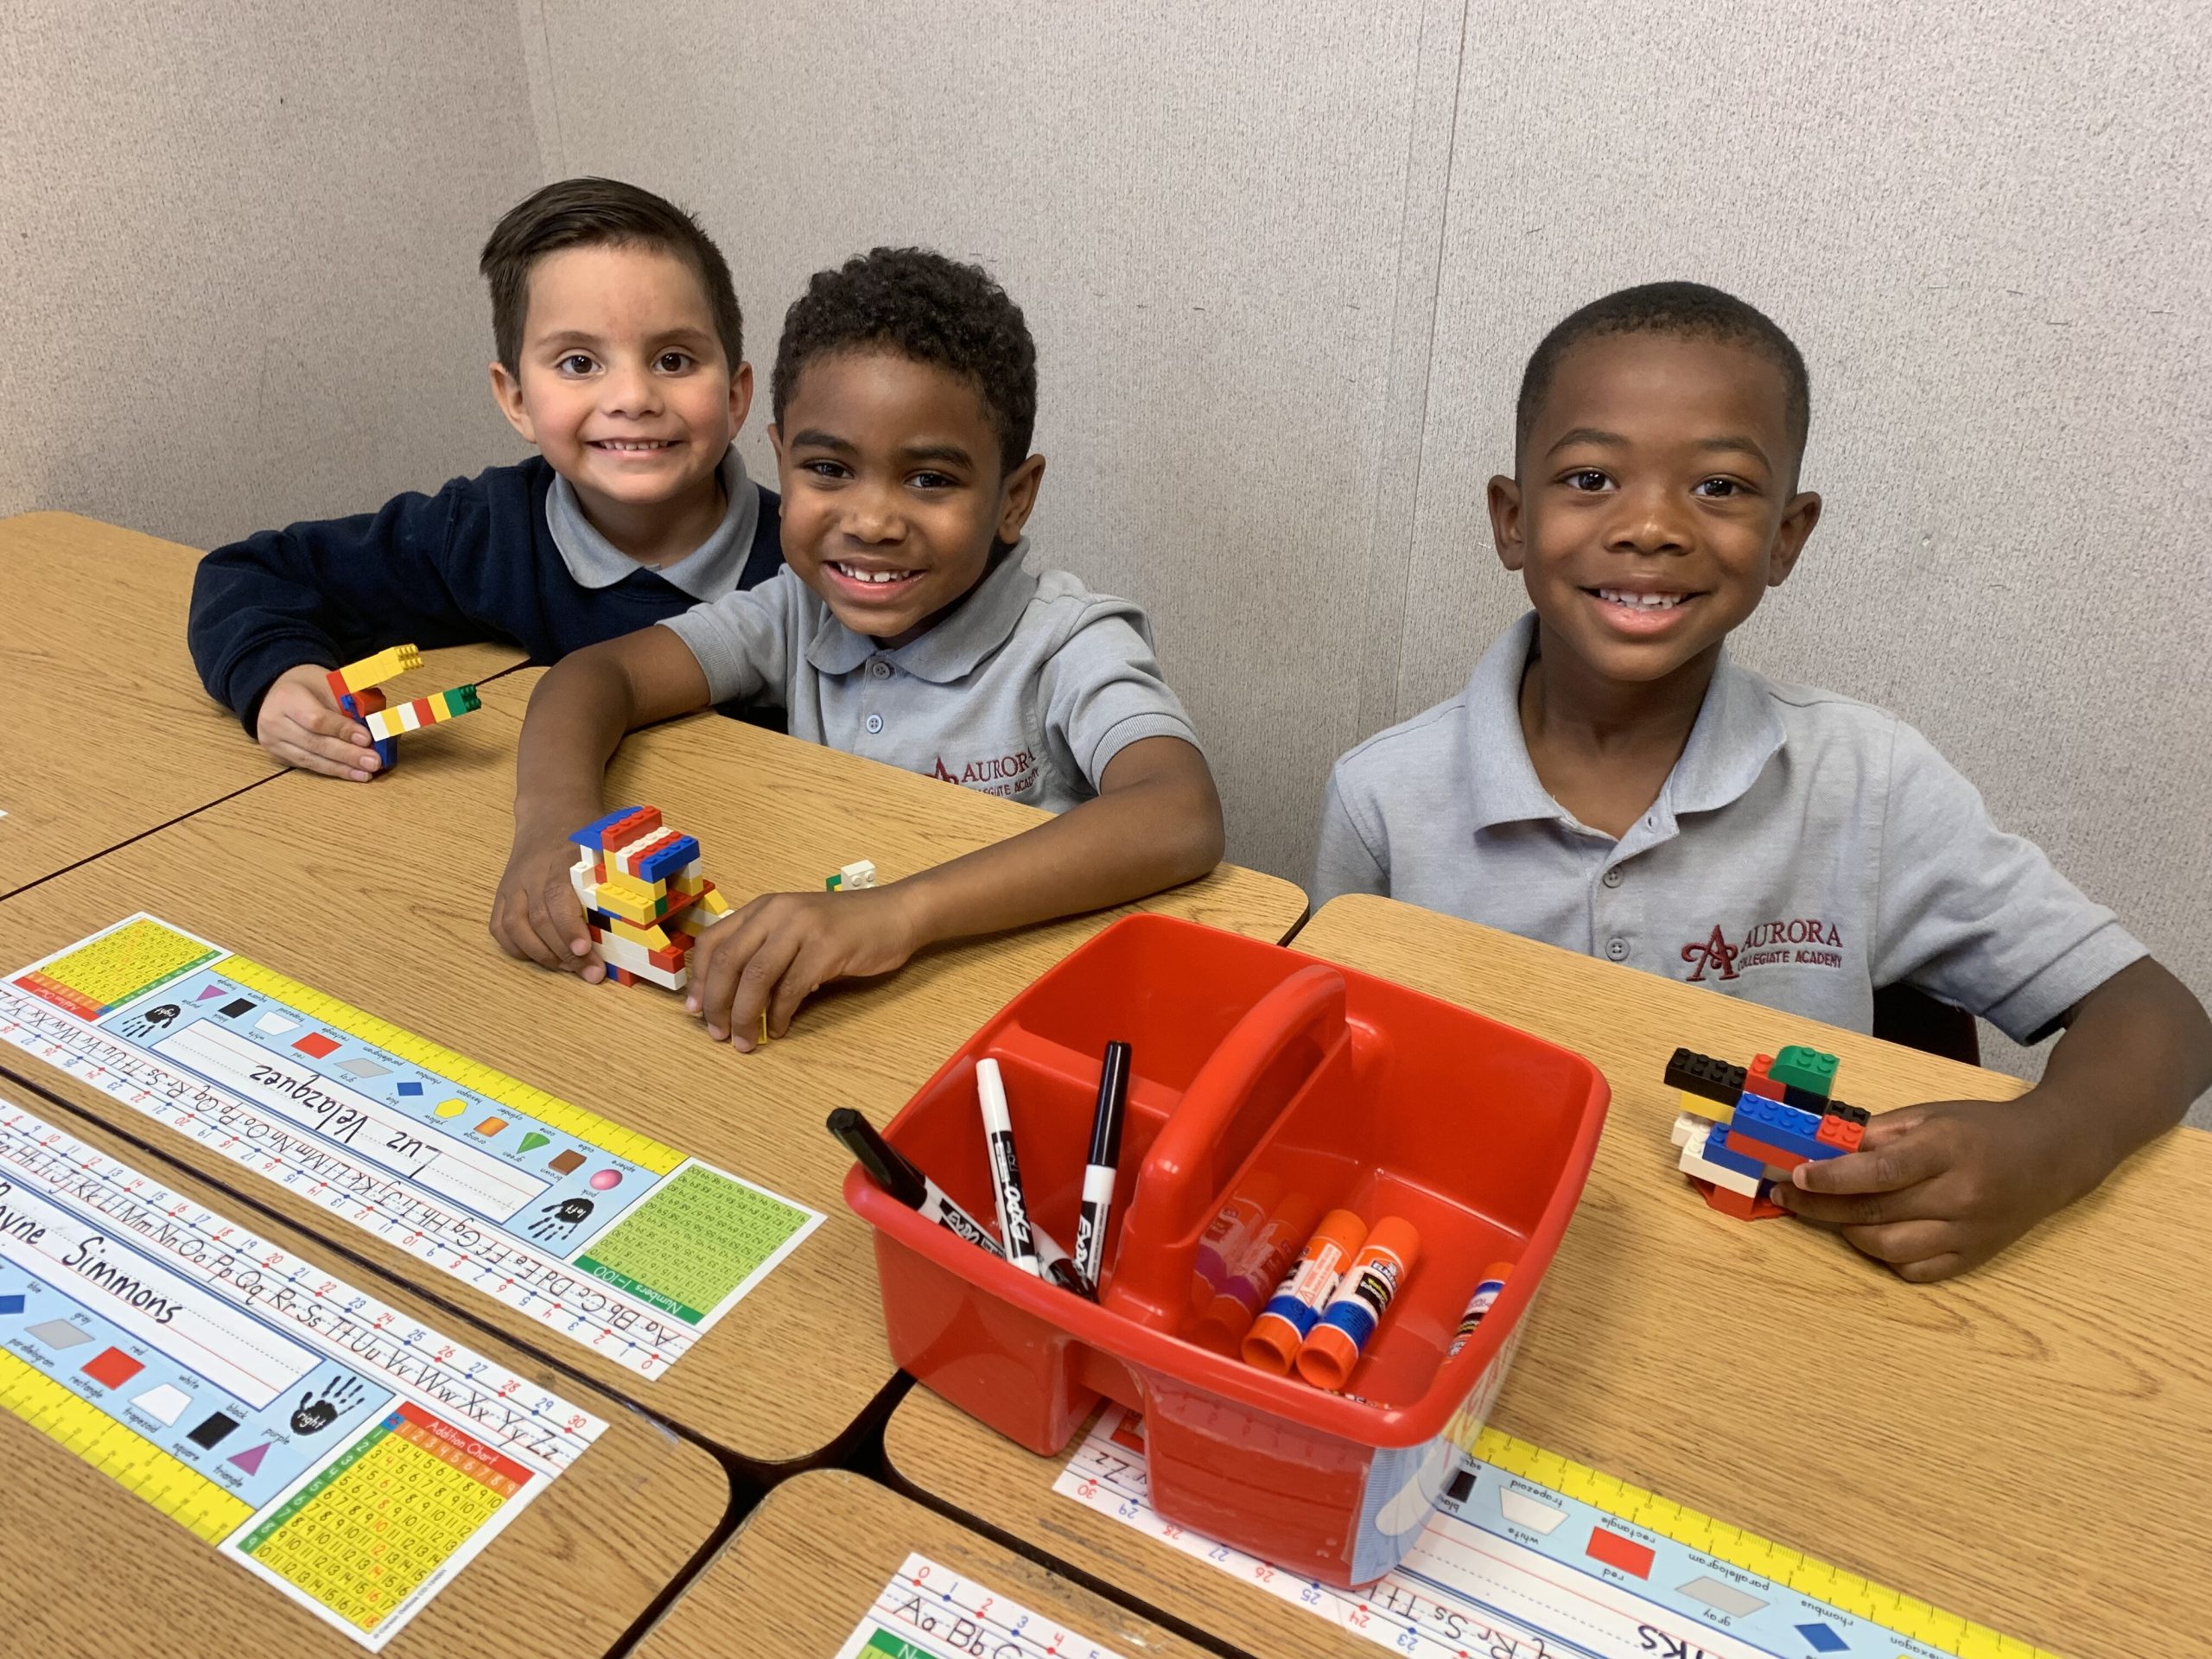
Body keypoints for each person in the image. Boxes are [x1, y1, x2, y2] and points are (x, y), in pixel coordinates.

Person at [1312, 281, 2211, 1281]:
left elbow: (2157, 1014)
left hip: (1773, 1282)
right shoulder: (1383, 795)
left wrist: (2049, 1147)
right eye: (1590, 478)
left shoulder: (1867, 781)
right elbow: (1335, 1071)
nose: (1650, 526)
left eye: (1720, 488)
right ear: (1511, 521)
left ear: (1787, 535)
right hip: (1460, 1262)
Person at [492, 246, 1224, 1048]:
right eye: (829, 469)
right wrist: (552, 825)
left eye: (930, 480)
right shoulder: (795, 613)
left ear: (1013, 499)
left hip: (1027, 1020)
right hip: (850, 1020)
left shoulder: (1068, 640)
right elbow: (596, 678)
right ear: (781, 461)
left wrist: (898, 915)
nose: (872, 521)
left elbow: (1178, 813)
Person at [188, 177, 782, 779]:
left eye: (673, 360)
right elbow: (250, 574)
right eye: (579, 363)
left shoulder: (813, 560)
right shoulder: (486, 533)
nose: (632, 397)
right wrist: (278, 679)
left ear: (735, 396)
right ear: (517, 399)